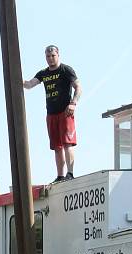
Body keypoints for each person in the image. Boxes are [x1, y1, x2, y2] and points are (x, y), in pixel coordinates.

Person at [23, 45, 81, 182]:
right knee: (56, 146)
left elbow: (78, 86)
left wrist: (73, 103)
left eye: (53, 56)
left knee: (67, 143)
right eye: (48, 56)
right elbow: (29, 84)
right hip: (51, 113)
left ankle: (70, 173)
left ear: (58, 55)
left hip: (65, 111)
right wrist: (19, 79)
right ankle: (60, 175)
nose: (50, 58)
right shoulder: (43, 73)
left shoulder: (66, 70)